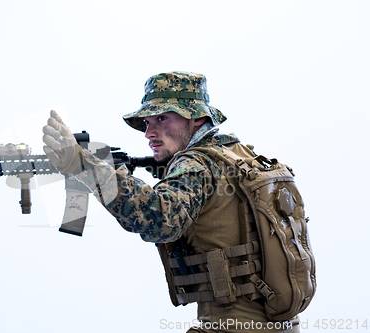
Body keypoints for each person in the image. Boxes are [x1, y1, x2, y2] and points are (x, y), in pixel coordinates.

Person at [42, 72, 301, 332]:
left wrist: (83, 165)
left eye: (162, 119)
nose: (149, 133)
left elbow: (160, 219)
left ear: (197, 118)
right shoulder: (240, 155)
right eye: (146, 123)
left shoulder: (195, 164)